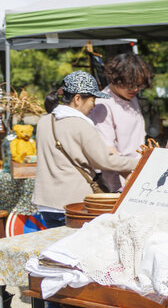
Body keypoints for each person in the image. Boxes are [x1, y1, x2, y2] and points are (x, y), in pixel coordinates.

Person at [34, 71, 139, 228]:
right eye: (92, 99)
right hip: (73, 204)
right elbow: (105, 160)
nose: (94, 104)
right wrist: (139, 163)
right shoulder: (80, 125)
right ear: (77, 99)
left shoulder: (44, 122)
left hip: (46, 204)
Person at [89, 53, 153, 192]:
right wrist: (129, 175)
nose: (135, 89)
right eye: (129, 85)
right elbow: (108, 149)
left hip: (137, 171)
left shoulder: (130, 97)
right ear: (115, 79)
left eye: (138, 85)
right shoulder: (104, 105)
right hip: (119, 180)